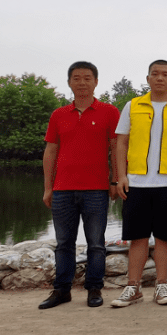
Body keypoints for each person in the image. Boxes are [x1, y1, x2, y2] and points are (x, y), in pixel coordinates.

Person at [111, 60, 167, 308]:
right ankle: (133, 287)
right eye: (155, 74)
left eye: (165, 74)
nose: (160, 78)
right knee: (136, 237)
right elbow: (121, 143)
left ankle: (162, 285)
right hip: (136, 182)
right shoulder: (133, 105)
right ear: (147, 79)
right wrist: (121, 176)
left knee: (164, 237)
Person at [39, 61, 120, 309]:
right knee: (64, 243)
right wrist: (48, 187)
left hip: (96, 188)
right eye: (77, 78)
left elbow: (117, 148)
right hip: (63, 189)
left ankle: (94, 288)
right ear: (69, 82)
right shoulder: (59, 115)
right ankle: (61, 290)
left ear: (96, 82)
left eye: (87, 78)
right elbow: (50, 151)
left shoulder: (109, 112)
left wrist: (116, 180)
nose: (82, 82)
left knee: (96, 242)